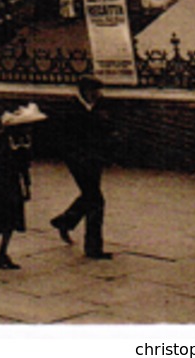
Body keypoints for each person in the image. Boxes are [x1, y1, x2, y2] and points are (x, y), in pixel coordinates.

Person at [50, 75, 113, 259]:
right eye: (94, 91)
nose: (98, 95)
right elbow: (65, 139)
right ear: (84, 91)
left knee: (90, 196)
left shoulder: (98, 106)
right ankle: (93, 248)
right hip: (79, 161)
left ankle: (65, 220)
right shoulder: (71, 109)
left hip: (95, 159)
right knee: (96, 201)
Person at [0, 103, 45, 269]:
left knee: (11, 218)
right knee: (6, 217)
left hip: (14, 180)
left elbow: (25, 165)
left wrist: (27, 185)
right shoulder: (3, 137)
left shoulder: (24, 139)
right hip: (1, 180)